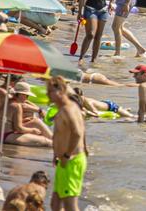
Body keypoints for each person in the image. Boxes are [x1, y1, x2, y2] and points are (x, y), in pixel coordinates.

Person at [49, 76, 87, 211]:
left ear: (62, 91)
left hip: (71, 160)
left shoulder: (69, 109)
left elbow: (77, 133)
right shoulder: (63, 108)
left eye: (52, 92)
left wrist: (66, 155)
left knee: (70, 205)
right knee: (55, 203)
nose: (49, 95)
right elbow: (59, 133)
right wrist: (56, 153)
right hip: (63, 160)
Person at [76, 0, 110, 66]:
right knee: (90, 34)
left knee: (98, 36)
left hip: (103, 11)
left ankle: (93, 59)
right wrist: (79, 12)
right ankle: (81, 57)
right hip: (90, 10)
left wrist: (110, 4)